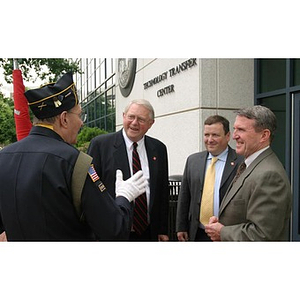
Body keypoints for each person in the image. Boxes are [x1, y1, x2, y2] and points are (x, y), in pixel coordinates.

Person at [0, 72, 147, 241]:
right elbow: (113, 229)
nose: (82, 122)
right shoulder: (75, 162)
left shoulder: (3, 157)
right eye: (79, 115)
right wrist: (124, 197)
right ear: (64, 119)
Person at [205, 105, 292, 241]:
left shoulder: (269, 176)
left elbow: (262, 234)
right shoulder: (249, 164)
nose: (234, 136)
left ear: (264, 135)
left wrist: (222, 232)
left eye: (241, 130)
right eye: (234, 129)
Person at [88, 99, 169, 241]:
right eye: (131, 117)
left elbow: (162, 191)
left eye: (141, 119)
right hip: (113, 231)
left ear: (151, 124)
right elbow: (91, 187)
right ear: (123, 116)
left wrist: (162, 229)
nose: (134, 123)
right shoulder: (100, 145)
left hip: (148, 232)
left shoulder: (159, 149)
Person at [176, 115, 243, 241]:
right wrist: (181, 226)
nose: (210, 140)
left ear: (228, 136)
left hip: (226, 234)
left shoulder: (241, 162)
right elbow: (185, 196)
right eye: (206, 135)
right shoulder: (193, 161)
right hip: (197, 232)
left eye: (215, 135)